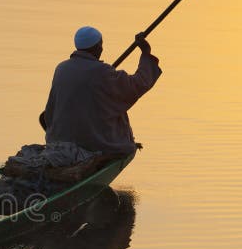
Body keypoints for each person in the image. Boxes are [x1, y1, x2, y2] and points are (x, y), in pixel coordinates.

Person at [40, 26, 162, 156]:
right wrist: (145, 52)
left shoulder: (61, 68)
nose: (102, 48)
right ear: (97, 47)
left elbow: (50, 112)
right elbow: (138, 84)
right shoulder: (103, 72)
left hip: (59, 140)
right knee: (116, 106)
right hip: (94, 143)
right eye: (101, 45)